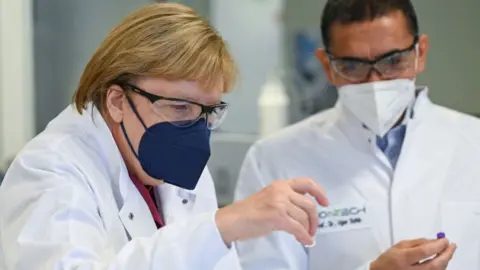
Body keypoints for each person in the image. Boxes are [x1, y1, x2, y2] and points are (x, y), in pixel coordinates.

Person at [0, 3, 328, 270]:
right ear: (117, 101)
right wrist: (221, 226)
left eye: (208, 111)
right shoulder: (51, 173)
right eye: (179, 107)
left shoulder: (178, 173)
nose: (196, 127)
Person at [234, 0, 480, 269]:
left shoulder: (473, 142)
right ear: (327, 66)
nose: (375, 82)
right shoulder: (273, 160)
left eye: (394, 61)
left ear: (420, 52)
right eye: (353, 66)